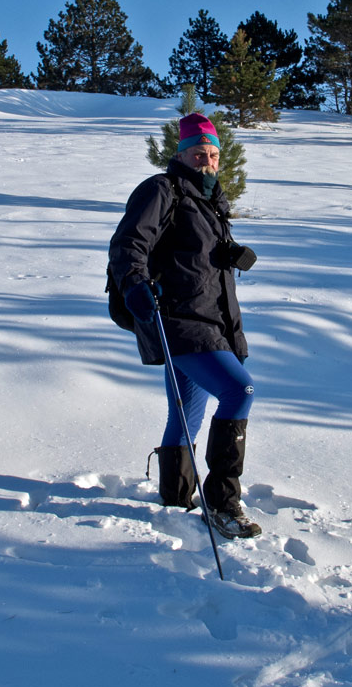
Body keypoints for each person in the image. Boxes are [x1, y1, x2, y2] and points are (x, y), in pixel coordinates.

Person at [108, 112, 261, 539]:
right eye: (199, 154)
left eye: (214, 155)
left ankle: (175, 497)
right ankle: (222, 503)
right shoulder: (161, 188)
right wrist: (135, 284)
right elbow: (129, 243)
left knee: (187, 411)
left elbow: (186, 252)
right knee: (239, 390)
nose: (208, 162)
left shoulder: (209, 199)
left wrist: (228, 253)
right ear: (181, 155)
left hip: (214, 319)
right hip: (178, 317)